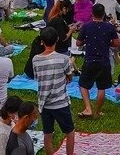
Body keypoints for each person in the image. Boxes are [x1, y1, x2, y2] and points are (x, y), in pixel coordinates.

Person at [31, 27, 75, 155]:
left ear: (41, 42)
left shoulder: (35, 59)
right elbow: (70, 77)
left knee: (47, 133)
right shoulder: (63, 59)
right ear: (57, 39)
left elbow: (37, 77)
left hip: (44, 103)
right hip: (61, 103)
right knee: (70, 132)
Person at [76, 4, 118, 117]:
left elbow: (78, 43)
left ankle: (88, 108)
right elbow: (116, 43)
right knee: (102, 87)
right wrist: (107, 42)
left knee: (83, 84)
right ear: (104, 14)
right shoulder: (109, 27)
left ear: (92, 13)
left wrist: (87, 40)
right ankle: (97, 112)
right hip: (104, 60)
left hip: (90, 60)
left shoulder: (86, 26)